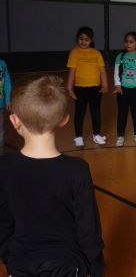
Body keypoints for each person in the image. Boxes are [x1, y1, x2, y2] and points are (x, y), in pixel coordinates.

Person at [0, 75, 104, 276]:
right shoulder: (77, 169)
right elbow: (88, 227)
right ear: (65, 120)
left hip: (20, 262)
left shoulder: (4, 167)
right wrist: (96, 267)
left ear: (14, 121)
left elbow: (2, 222)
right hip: (69, 264)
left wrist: (9, 257)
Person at [67, 26, 109, 147]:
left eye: (86, 39)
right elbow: (72, 71)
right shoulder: (74, 52)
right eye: (81, 39)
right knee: (80, 112)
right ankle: (78, 136)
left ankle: (96, 135)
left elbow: (102, 71)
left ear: (91, 40)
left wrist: (105, 85)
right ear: (77, 39)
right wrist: (70, 88)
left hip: (95, 88)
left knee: (96, 112)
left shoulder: (96, 53)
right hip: (80, 88)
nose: (83, 41)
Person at [0, 58, 11, 155]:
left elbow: (7, 82)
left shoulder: (2, 63)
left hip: (0, 105)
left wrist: (7, 99)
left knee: (0, 134)